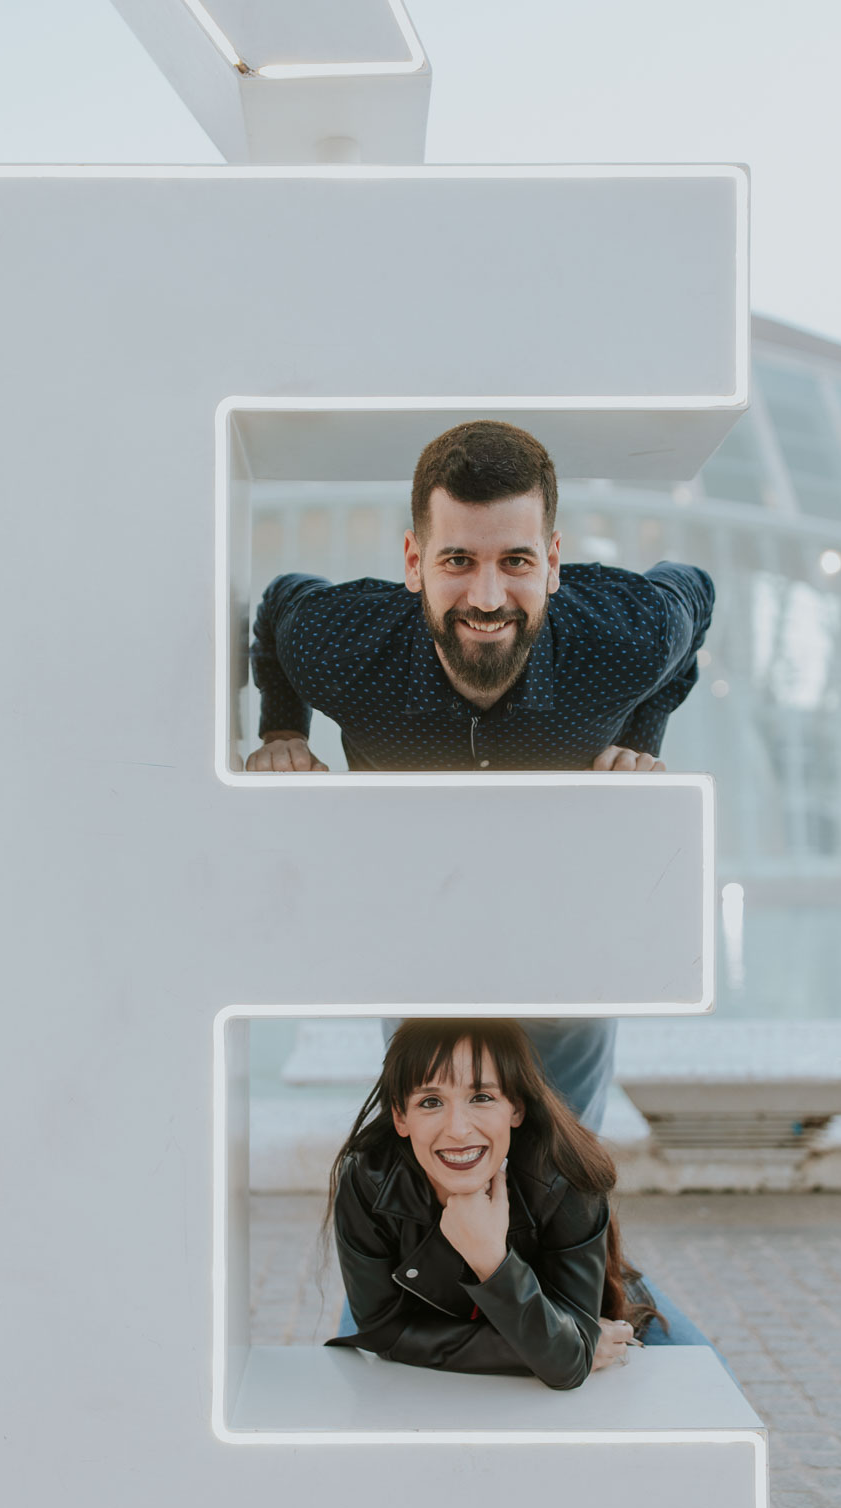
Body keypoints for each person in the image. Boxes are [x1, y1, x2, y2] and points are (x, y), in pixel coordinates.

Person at [247, 420, 715, 1133]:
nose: (488, 598)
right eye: (458, 559)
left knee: (561, 1161)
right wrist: (282, 729)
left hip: (566, 926)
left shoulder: (625, 635)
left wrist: (635, 739)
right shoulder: (343, 647)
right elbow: (281, 602)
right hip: (421, 920)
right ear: (413, 561)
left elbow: (695, 591)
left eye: (517, 562)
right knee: (433, 1148)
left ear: (554, 562)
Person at [326, 1018, 723, 1391]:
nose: (459, 1129)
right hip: (528, 1319)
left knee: (717, 1394)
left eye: (481, 1096)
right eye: (430, 1102)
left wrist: (490, 1261)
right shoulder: (369, 1180)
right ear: (399, 1116)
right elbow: (384, 1331)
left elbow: (566, 1367)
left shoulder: (566, 1177)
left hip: (574, 1277)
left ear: (516, 1108)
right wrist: (556, 1342)